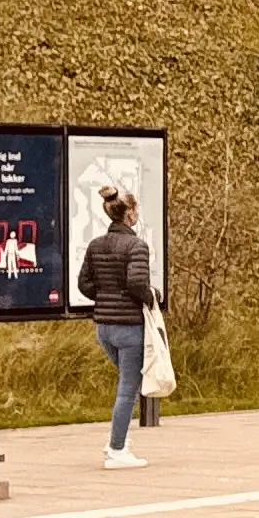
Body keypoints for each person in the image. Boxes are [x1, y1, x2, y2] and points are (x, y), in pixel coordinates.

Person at [78, 184, 157, 468]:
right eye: (136, 209)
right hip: (129, 326)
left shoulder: (96, 245)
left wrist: (105, 296)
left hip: (104, 327)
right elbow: (137, 284)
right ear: (129, 213)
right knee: (128, 387)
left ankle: (118, 437)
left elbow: (84, 284)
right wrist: (153, 297)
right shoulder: (136, 246)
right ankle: (117, 449)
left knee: (127, 381)